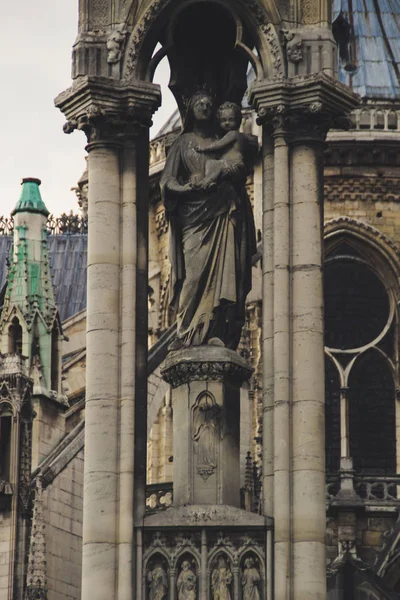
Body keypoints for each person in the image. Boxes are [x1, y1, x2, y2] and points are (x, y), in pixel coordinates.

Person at [160, 91, 256, 351]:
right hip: (193, 219)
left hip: (222, 213)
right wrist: (185, 189)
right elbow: (167, 182)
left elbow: (240, 168)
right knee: (193, 279)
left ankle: (215, 330)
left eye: (208, 103)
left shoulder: (223, 141)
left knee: (224, 276)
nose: (203, 106)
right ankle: (187, 330)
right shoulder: (183, 144)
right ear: (189, 109)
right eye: (198, 102)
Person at [195, 101, 252, 190]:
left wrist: (203, 148)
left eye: (231, 119)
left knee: (219, 167)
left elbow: (218, 145)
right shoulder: (228, 135)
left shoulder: (233, 134)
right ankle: (210, 181)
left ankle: (205, 182)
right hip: (227, 164)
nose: (227, 123)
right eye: (223, 120)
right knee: (211, 163)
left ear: (238, 120)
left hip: (235, 164)